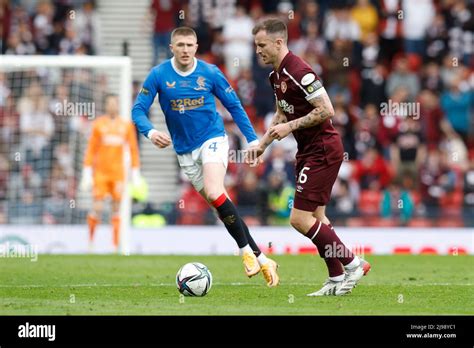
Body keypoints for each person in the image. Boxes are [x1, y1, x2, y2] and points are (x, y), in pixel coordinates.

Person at [132, 26, 279, 287]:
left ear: (196, 47)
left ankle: (245, 252)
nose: (186, 50)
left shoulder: (210, 72)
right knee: (221, 206)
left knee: (214, 191)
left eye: (190, 45)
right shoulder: (159, 75)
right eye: (181, 45)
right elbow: (138, 110)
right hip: (184, 151)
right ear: (172, 48)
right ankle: (263, 258)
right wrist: (151, 132)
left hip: (212, 139)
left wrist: (253, 140)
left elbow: (234, 106)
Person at [248, 18, 370, 296]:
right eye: (256, 45)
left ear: (279, 42)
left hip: (323, 149)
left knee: (299, 219)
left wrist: (289, 127)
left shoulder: (299, 71)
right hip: (308, 150)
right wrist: (262, 145)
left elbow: (327, 109)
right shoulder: (275, 76)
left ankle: (353, 262)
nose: (258, 51)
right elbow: (282, 112)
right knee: (317, 218)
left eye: (262, 45)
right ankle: (337, 278)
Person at [80, 94, 141, 252]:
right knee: (98, 208)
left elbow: (133, 149)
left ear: (118, 105)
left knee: (115, 208)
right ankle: (91, 242)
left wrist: (135, 172)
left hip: (118, 174)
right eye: (110, 103)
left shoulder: (126, 125)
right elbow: (91, 150)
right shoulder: (98, 125)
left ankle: (114, 246)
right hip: (100, 173)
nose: (112, 106)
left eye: (115, 103)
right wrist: (87, 172)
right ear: (106, 106)